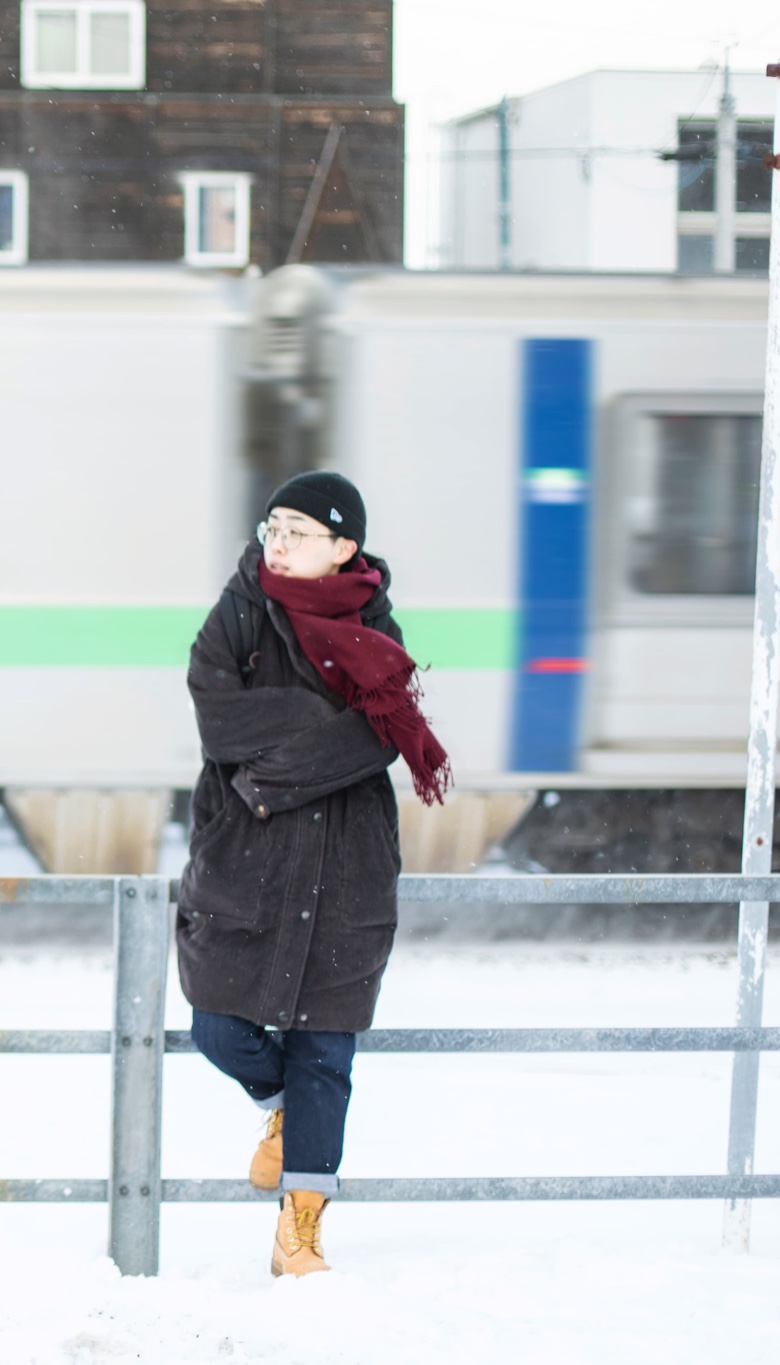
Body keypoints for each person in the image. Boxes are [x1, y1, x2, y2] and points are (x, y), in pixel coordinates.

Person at [177, 470, 450, 1277]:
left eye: (298, 530)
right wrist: (311, 726)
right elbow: (219, 720)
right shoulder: (236, 617)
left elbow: (381, 737)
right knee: (218, 1025)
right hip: (245, 854)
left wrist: (276, 772)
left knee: (326, 1048)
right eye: (273, 528)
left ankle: (301, 1230)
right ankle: (280, 1109)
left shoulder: (377, 626)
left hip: (347, 860)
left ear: (343, 546)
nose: (279, 542)